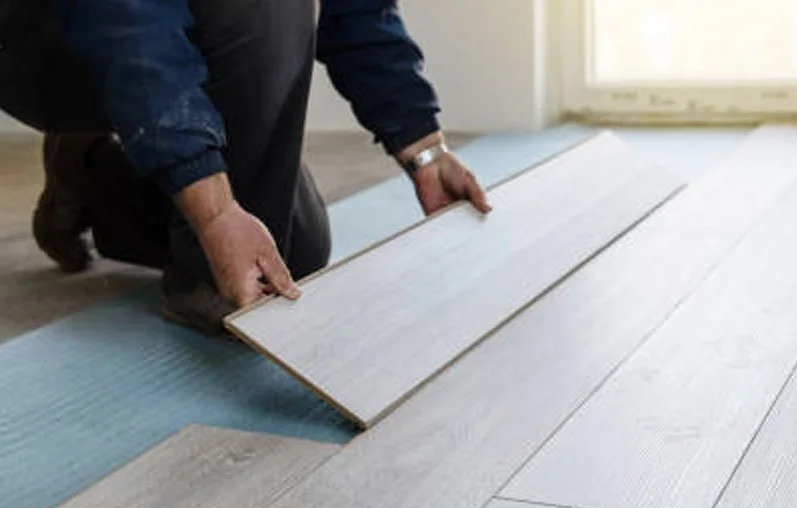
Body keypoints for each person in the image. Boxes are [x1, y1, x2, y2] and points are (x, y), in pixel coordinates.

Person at [0, 0, 491, 334]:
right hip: (52, 36)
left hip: (161, 35)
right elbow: (131, 22)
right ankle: (201, 274)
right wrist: (213, 213)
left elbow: (358, 9)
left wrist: (425, 150)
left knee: (297, 249)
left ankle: (90, 171)